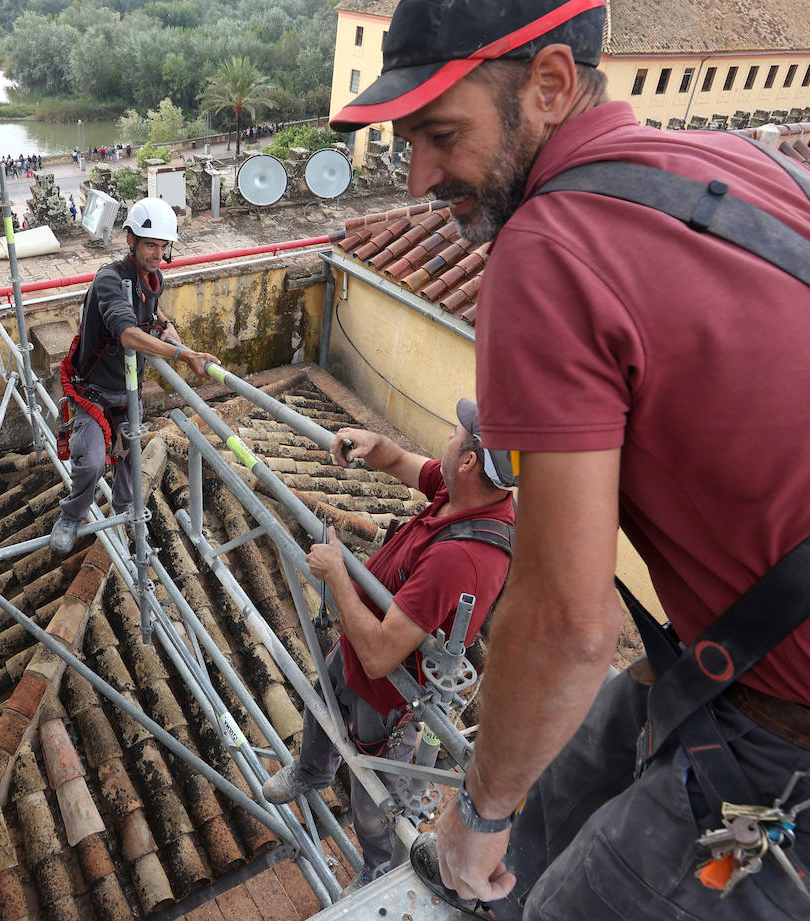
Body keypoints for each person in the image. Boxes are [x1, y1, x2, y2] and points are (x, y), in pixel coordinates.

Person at [329, 1, 810, 919]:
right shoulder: (738, 169)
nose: (419, 172)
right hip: (755, 668)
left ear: (549, 84)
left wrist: (474, 813)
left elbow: (566, 626)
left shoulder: (550, 245)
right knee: (575, 760)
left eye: (440, 133)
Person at [261, 401, 516, 892]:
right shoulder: (467, 492)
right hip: (357, 646)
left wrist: (337, 574)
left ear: (468, 461)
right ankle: (312, 770)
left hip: (391, 697)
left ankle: (378, 871)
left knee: (374, 799)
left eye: (453, 433)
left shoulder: (460, 558)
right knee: (323, 702)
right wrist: (375, 445)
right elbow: (403, 462)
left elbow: (380, 658)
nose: (446, 438)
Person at [50, 197, 219, 553]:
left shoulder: (155, 277)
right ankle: (72, 514)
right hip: (93, 389)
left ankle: (126, 513)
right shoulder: (109, 280)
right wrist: (183, 354)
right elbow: (126, 333)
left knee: (131, 455)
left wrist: (165, 323)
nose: (157, 254)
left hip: (128, 389)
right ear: (131, 241)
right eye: (150, 245)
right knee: (92, 461)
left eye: (162, 246)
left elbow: (151, 303)